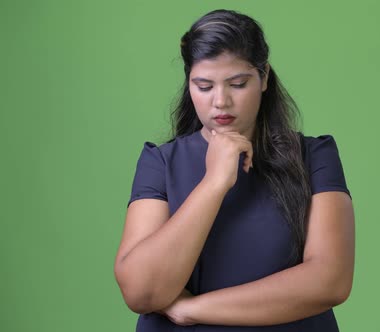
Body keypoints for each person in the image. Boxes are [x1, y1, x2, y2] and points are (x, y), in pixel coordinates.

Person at [114, 9, 355, 331]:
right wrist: (214, 182)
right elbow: (142, 292)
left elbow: (329, 281)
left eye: (238, 84)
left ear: (264, 77)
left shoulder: (314, 156)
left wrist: (193, 309)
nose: (221, 102)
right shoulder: (160, 162)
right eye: (203, 86)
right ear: (188, 84)